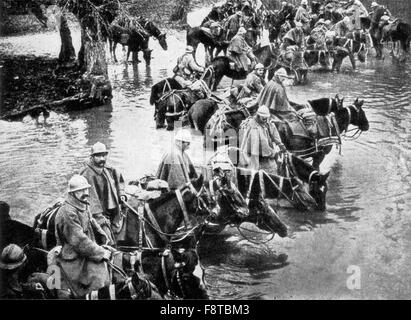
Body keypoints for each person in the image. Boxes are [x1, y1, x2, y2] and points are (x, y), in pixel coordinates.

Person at [52, 175, 112, 298]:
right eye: (80, 190)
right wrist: (101, 253)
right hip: (73, 253)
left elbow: (91, 220)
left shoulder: (82, 203)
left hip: (86, 246)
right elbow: (79, 240)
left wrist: (103, 234)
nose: (85, 193)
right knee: (98, 278)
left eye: (86, 189)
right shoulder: (68, 212)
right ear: (72, 193)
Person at [80, 142, 126, 246]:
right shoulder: (87, 173)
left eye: (104, 155)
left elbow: (119, 181)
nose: (102, 159)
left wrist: (122, 194)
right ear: (92, 157)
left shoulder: (108, 169)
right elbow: (91, 201)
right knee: (108, 239)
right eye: (98, 156)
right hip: (96, 213)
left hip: (112, 210)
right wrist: (100, 217)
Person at [240, 105, 287, 174]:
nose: (265, 119)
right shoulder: (253, 127)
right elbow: (261, 146)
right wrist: (273, 152)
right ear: (258, 116)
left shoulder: (269, 124)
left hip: (268, 157)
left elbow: (275, 137)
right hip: (255, 158)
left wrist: (280, 145)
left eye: (266, 118)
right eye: (263, 118)